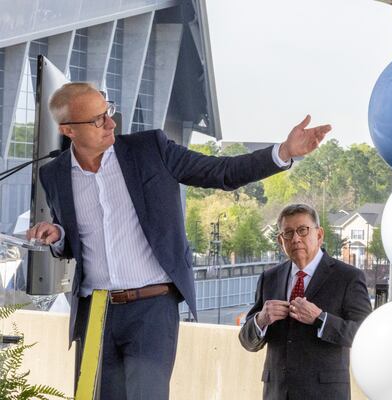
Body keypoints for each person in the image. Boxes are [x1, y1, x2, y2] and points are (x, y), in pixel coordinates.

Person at [26, 82, 331, 399]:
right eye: (98, 119)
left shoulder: (150, 150)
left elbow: (220, 171)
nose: (111, 123)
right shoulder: (55, 175)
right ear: (68, 130)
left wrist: (283, 152)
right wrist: (58, 235)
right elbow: (73, 240)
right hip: (95, 312)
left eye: (109, 112)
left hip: (152, 308)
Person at [239, 203, 372, 400]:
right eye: (288, 233)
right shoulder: (270, 278)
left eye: (302, 230)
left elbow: (365, 336)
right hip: (276, 392)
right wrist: (261, 320)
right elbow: (247, 341)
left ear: (319, 235)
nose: (296, 239)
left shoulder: (348, 277)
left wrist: (320, 319)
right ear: (280, 240)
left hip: (324, 394)